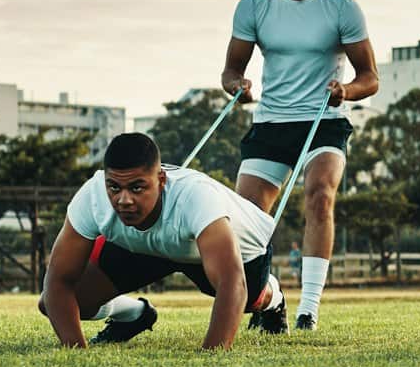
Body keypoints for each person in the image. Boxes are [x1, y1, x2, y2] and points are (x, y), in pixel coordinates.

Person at [220, 0, 378, 332]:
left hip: (324, 119)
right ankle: (270, 296)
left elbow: (370, 78)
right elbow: (230, 70)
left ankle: (309, 309)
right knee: (246, 219)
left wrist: (346, 90)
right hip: (271, 123)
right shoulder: (254, 4)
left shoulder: (340, 4)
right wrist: (238, 84)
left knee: (320, 196)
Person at [39, 132, 287, 349]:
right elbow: (59, 282)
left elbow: (231, 281)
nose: (123, 200)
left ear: (161, 179)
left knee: (252, 300)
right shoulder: (92, 196)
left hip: (233, 251)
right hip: (146, 245)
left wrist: (213, 354)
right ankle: (135, 314)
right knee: (57, 302)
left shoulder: (196, 198)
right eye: (114, 187)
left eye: (136, 188)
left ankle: (275, 298)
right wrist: (77, 352)